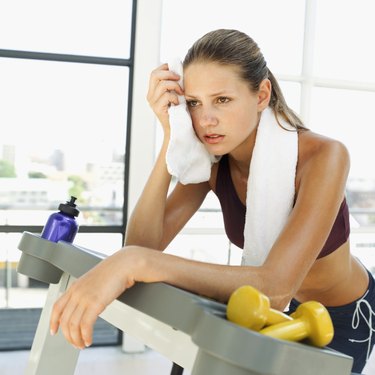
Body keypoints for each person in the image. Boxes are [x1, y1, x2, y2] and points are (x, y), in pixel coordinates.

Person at [49, 29, 374, 373]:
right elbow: (144, 244)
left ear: (262, 94)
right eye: (194, 103)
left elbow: (277, 288)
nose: (205, 120)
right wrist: (172, 138)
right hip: (262, 312)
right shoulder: (214, 160)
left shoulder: (325, 156)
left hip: (340, 318)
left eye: (222, 100)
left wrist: (134, 262)